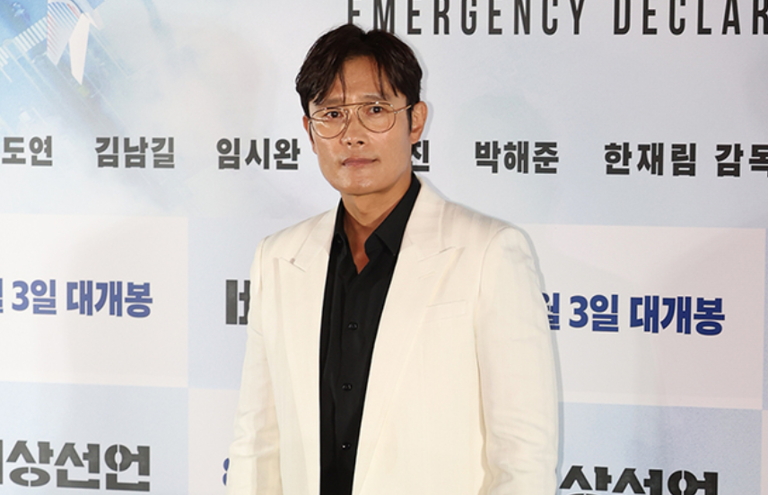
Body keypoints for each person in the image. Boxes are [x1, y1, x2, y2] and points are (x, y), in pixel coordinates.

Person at [226, 24, 558, 495]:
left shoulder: (490, 253)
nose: (352, 135)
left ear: (415, 121)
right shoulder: (277, 259)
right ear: (310, 131)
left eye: (375, 110)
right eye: (332, 114)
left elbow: (523, 459)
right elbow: (256, 442)